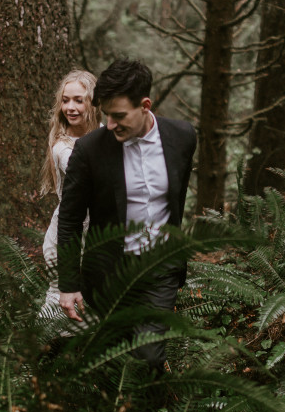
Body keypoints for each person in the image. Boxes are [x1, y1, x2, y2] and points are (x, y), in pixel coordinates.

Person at [55, 58, 197, 372]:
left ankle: (149, 411)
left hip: (158, 269)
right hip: (108, 274)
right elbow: (70, 218)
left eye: (119, 116)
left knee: (147, 356)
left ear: (146, 105)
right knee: (111, 358)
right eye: (106, 115)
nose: (110, 124)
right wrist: (69, 284)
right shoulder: (90, 149)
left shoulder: (183, 137)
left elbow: (176, 200)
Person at [40, 70, 100, 317]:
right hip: (67, 236)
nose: (70, 107)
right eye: (65, 100)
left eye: (78, 100)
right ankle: (38, 350)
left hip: (97, 234)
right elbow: (85, 171)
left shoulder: (107, 133)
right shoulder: (62, 146)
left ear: (93, 103)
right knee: (61, 298)